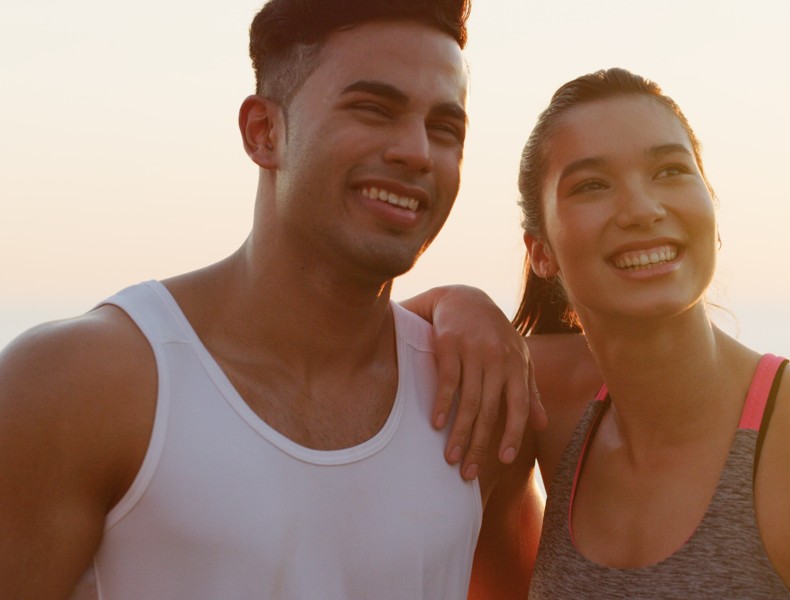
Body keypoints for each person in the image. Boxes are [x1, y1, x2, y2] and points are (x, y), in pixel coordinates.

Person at [0, 1, 545, 598]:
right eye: (372, 109)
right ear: (264, 132)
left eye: (445, 128)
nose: (417, 152)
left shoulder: (477, 403)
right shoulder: (82, 381)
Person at [475, 68, 790, 598]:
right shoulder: (544, 399)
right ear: (540, 251)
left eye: (670, 171)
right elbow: (379, 343)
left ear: (713, 212)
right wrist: (456, 305)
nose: (644, 210)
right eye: (592, 185)